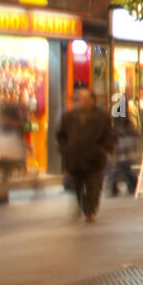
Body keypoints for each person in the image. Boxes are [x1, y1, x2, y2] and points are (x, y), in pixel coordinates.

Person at [57, 87, 115, 221]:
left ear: (92, 100)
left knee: (93, 186)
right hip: (75, 158)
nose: (82, 102)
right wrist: (64, 149)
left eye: (85, 99)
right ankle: (81, 204)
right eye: (79, 99)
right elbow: (61, 135)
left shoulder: (103, 116)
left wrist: (104, 148)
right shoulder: (69, 116)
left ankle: (90, 211)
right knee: (77, 185)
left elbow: (109, 135)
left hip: (94, 158)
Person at [0, 101, 29, 204]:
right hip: (11, 152)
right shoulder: (16, 121)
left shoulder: (5, 121)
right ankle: (2, 194)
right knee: (4, 175)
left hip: (5, 152)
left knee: (4, 174)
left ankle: (1, 195)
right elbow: (24, 129)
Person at [109, 112, 139, 196]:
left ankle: (114, 188)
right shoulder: (126, 121)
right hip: (126, 143)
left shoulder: (119, 121)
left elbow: (120, 131)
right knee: (124, 167)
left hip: (124, 143)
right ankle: (132, 185)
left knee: (122, 166)